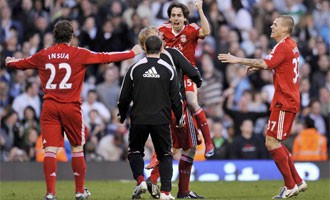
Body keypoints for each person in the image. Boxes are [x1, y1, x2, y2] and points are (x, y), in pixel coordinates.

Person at [5, 20, 141, 200]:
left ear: (55, 37)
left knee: (50, 151)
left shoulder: (43, 54)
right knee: (77, 149)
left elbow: (22, 63)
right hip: (71, 107)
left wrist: (11, 62)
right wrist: (131, 52)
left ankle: (50, 194)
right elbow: (105, 57)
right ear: (72, 36)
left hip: (50, 107)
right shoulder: (79, 53)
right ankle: (79, 191)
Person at [218, 15, 308, 199]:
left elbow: (265, 62)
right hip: (285, 99)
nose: (271, 26)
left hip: (285, 101)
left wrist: (237, 59)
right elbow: (273, 64)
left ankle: (290, 185)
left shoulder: (284, 46)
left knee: (272, 142)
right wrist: (259, 67)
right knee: (276, 142)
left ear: (284, 29)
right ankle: (298, 181)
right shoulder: (288, 45)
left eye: (275, 24)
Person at [138, 26, 205, 199]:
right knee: (190, 147)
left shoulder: (142, 64)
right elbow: (192, 72)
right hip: (177, 108)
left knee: (171, 146)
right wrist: (197, 81)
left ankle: (153, 179)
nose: (162, 34)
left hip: (157, 110)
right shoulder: (172, 54)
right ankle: (180, 191)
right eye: (158, 34)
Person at [117, 35, 184, 200]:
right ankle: (165, 193)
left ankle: (140, 180)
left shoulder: (134, 68)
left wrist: (122, 114)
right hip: (161, 119)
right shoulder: (168, 69)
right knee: (165, 155)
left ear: (145, 49)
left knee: (135, 151)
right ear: (161, 49)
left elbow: (124, 96)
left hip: (139, 118)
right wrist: (180, 117)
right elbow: (176, 98)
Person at [158, 0, 214, 158]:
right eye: (173, 15)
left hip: (187, 74)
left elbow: (206, 31)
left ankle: (208, 141)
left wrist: (200, 10)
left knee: (191, 101)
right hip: (168, 77)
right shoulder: (161, 31)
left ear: (184, 18)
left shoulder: (191, 30)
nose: (176, 18)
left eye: (179, 15)